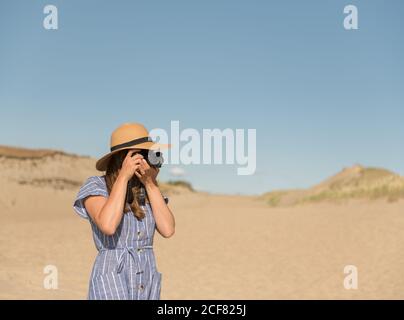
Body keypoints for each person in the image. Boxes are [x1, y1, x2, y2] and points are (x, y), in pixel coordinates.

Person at [73, 123, 175, 300]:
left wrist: (150, 183)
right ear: (124, 157)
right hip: (113, 275)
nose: (147, 159)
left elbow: (168, 229)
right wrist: (123, 177)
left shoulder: (147, 189)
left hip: (146, 275)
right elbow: (108, 225)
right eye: (143, 153)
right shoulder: (96, 185)